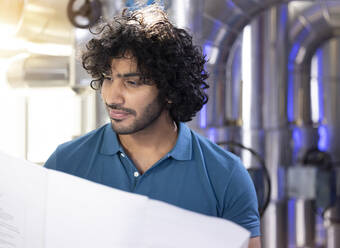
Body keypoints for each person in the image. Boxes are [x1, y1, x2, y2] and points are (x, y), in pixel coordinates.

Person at [44, 4, 261, 248]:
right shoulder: (65, 164)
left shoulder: (225, 175)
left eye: (132, 82)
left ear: (169, 91)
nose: (112, 97)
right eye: (107, 78)